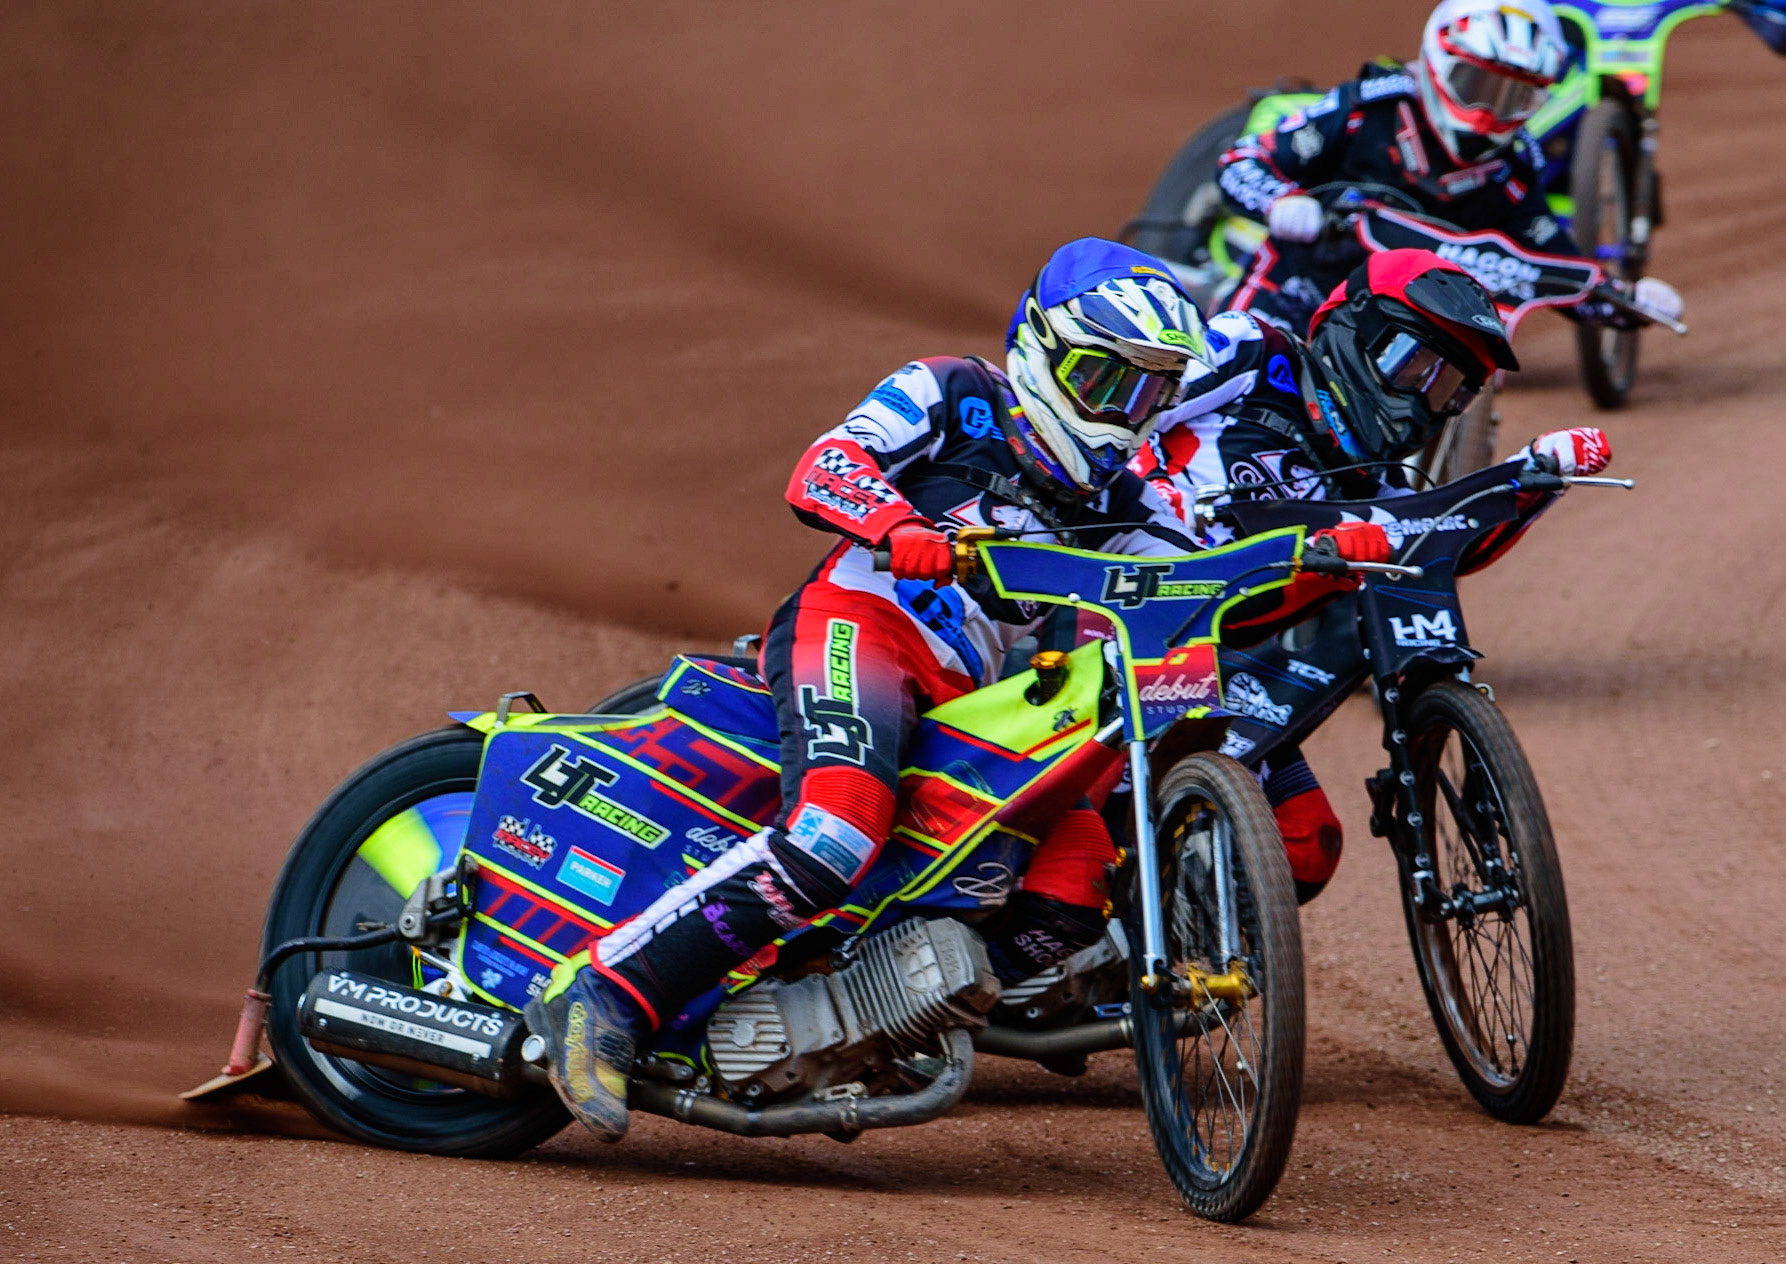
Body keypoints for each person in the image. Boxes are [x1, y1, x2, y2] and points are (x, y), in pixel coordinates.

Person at [527, 237, 1390, 1140]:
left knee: (1072, 886)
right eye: (1110, 383)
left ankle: (861, 1011)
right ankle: (603, 994)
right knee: (834, 832)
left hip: (979, 703)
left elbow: (1198, 582)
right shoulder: (955, 392)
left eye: (1150, 392)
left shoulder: (1126, 496)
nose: (1126, 414)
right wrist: (897, 522)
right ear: (1047, 350)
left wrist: (1319, 556)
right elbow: (825, 464)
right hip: (866, 629)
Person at [1135, 247, 1610, 899]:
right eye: (1415, 365)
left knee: (1307, 849)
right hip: (1130, 616)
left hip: (1223, 667)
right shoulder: (1252, 350)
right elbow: (1121, 415)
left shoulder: (1381, 485)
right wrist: (1154, 495)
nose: (1424, 401)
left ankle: (1188, 956)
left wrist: (1533, 480)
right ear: (1356, 328)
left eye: (1449, 388)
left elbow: (1452, 546)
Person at [1214, 0, 1683, 331]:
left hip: (1399, 333)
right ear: (1438, 62)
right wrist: (1281, 202)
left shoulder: (1511, 172)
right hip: (1298, 292)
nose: (1485, 114)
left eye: (1512, 97)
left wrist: (1627, 299)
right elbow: (1242, 161)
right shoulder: (1367, 108)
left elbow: (1554, 267)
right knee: (1235, 363)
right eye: (1474, 83)